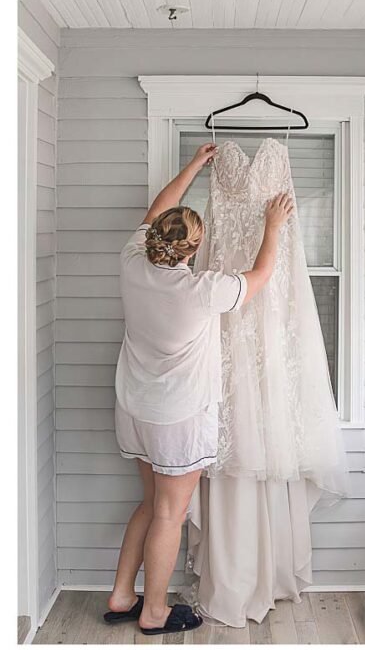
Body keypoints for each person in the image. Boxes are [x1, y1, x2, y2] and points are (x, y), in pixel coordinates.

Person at [103, 142, 294, 635]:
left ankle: (123, 595)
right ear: (192, 248)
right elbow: (261, 274)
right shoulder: (201, 290)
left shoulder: (132, 261)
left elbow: (157, 212)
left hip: (134, 409)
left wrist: (192, 165)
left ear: (156, 240)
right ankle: (153, 612)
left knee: (150, 503)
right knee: (170, 512)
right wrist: (272, 228)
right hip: (177, 418)